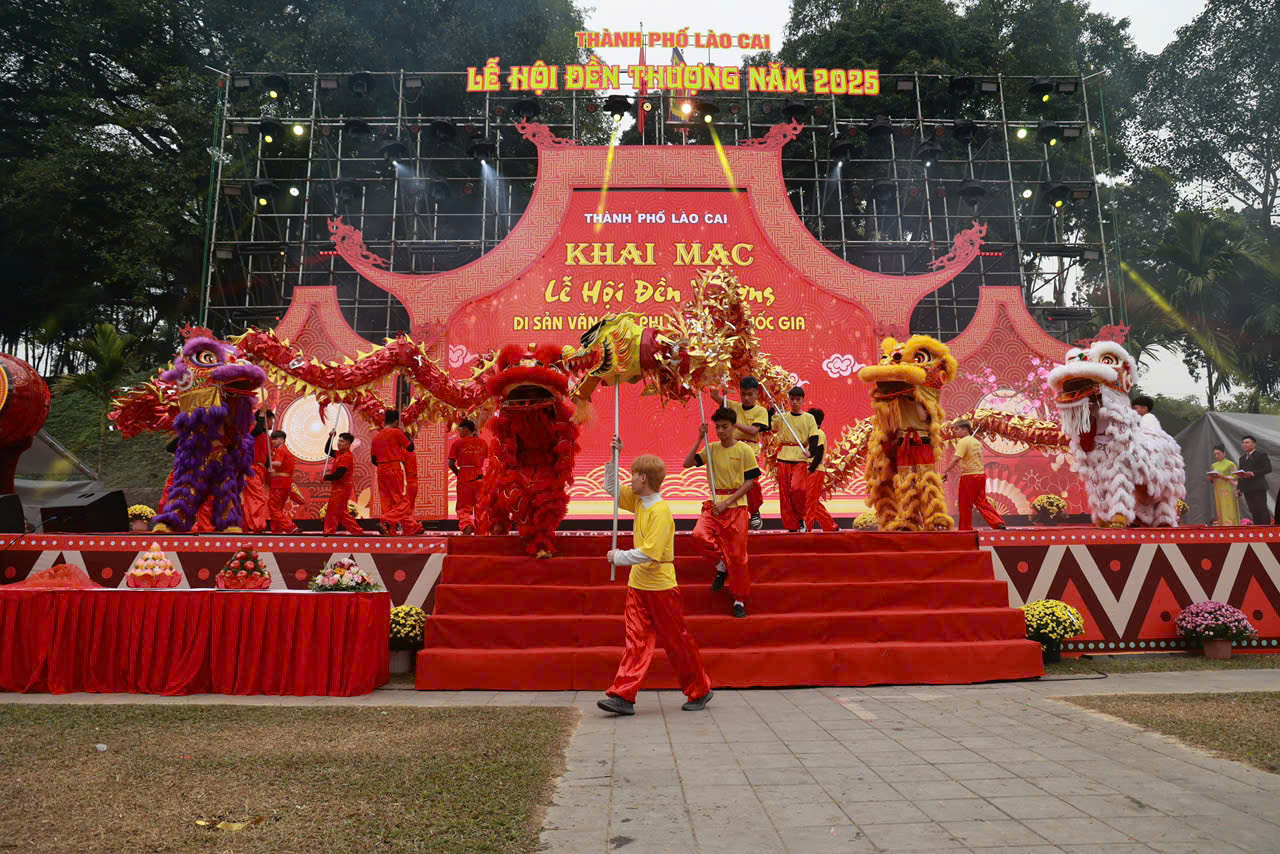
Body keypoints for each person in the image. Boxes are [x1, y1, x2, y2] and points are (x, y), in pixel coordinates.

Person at [597, 436, 714, 716]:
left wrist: (619, 556)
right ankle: (623, 695)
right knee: (635, 640)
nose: (630, 479)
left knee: (676, 641)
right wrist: (614, 455)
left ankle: (700, 688)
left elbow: (651, 552)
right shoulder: (639, 501)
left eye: (634, 474)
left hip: (661, 586)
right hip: (638, 584)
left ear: (644, 478)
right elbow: (611, 487)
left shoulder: (660, 512)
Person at [685, 407, 759, 618]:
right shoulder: (711, 449)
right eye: (717, 427)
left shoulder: (744, 450)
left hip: (736, 507)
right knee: (698, 536)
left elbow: (750, 482)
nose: (720, 431)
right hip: (714, 506)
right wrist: (700, 439)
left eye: (724, 427)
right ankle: (721, 566)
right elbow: (687, 464)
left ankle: (739, 600)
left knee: (738, 556)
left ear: (733, 427)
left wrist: (727, 502)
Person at [709, 377, 770, 529]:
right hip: (732, 448)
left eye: (750, 394)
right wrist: (721, 384)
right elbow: (714, 395)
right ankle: (730, 511)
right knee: (732, 482)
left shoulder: (761, 411)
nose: (746, 398)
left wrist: (732, 422)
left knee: (750, 482)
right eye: (743, 394)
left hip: (750, 451)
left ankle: (754, 511)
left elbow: (753, 430)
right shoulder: (733, 406)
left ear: (756, 393)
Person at [942, 420, 1006, 531]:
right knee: (982, 501)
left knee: (965, 503)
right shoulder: (976, 442)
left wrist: (945, 471)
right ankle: (997, 522)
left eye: (957, 429)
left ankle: (965, 528)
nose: (955, 432)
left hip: (969, 476)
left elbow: (956, 458)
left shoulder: (963, 441)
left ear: (964, 429)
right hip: (980, 475)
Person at [772, 387, 820, 532]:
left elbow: (814, 436)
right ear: (788, 400)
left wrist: (811, 451)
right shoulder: (783, 417)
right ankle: (791, 526)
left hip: (800, 457)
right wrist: (770, 408)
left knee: (798, 489)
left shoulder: (809, 418)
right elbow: (769, 426)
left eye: (798, 399)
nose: (794, 402)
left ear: (803, 400)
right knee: (785, 494)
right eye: (792, 399)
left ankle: (801, 518)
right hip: (783, 457)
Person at [370, 410, 423, 536]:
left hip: (381, 469)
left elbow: (373, 460)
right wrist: (405, 433)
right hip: (394, 467)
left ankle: (392, 530)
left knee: (386, 501)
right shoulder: (396, 432)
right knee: (402, 501)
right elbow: (410, 447)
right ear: (396, 422)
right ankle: (385, 520)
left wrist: (384, 464)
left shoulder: (376, 436)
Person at [322, 429, 366, 536]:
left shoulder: (346, 456)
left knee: (332, 511)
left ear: (348, 444)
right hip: (338, 487)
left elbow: (339, 474)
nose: (339, 443)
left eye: (342, 441)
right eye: (339, 440)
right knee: (341, 513)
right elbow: (327, 450)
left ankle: (329, 531)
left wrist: (325, 477)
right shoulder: (339, 454)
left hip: (342, 488)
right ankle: (357, 531)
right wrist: (331, 437)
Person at [448, 419, 488, 535]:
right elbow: (485, 458)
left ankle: (467, 524)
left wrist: (458, 473)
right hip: (479, 477)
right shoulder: (482, 443)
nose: (459, 432)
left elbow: (451, 464)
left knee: (464, 506)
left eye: (460, 429)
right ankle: (482, 532)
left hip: (464, 476)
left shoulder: (457, 443)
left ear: (466, 429)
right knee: (481, 507)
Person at [804, 408, 839, 532]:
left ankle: (806, 528)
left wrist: (810, 469)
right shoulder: (814, 434)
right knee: (812, 501)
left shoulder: (818, 434)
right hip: (811, 469)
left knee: (809, 501)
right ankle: (830, 526)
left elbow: (819, 454)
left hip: (815, 470)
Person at [241, 408, 273, 532]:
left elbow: (267, 458)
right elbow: (258, 429)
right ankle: (258, 526)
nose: (272, 422)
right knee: (257, 498)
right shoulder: (253, 431)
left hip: (260, 470)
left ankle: (251, 525)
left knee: (253, 498)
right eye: (270, 419)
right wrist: (261, 413)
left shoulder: (267, 437)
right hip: (252, 469)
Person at [266, 429, 299, 534]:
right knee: (278, 508)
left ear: (281, 439)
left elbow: (278, 463)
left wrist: (267, 462)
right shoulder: (286, 451)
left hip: (279, 483)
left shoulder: (280, 450)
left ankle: (291, 527)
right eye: (272, 439)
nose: (273, 441)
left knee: (273, 508)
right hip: (285, 483)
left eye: (275, 439)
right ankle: (276, 530)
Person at [1237, 435, 1272, 525]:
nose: (1244, 444)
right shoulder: (1242, 458)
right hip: (1247, 489)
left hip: (1258, 487)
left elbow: (1268, 468)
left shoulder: (1261, 455)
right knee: (1253, 510)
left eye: (1247, 442)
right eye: (1243, 443)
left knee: (1261, 509)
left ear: (1254, 444)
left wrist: (1252, 473)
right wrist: (1239, 488)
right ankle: (1257, 530)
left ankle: (1266, 529)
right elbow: (1240, 474)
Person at [1208, 444, 1240, 526]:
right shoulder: (1213, 465)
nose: (1216, 456)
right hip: (1218, 489)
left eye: (1218, 453)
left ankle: (1231, 525)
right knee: (1220, 507)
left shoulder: (1230, 464)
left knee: (1229, 508)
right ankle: (1222, 525)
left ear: (1224, 453)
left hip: (1228, 489)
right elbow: (1212, 480)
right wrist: (1211, 478)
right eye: (1215, 454)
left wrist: (1221, 476)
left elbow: (1235, 477)